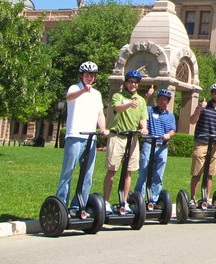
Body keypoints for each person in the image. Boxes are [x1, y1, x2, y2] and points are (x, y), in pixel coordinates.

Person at [56, 61, 109, 209]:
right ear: (81, 75)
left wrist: (103, 128)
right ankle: (61, 205)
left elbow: (100, 114)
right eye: (87, 74)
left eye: (92, 75)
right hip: (74, 136)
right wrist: (83, 91)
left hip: (90, 139)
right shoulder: (75, 88)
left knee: (87, 175)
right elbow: (70, 97)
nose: (89, 77)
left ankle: (78, 206)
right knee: (68, 172)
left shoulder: (97, 94)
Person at [103, 69, 148, 213]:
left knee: (128, 172)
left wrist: (144, 128)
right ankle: (106, 202)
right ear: (126, 83)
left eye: (135, 82)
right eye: (130, 82)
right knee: (112, 171)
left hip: (132, 138)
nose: (133, 85)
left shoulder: (141, 100)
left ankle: (124, 201)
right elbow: (117, 108)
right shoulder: (118, 96)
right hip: (117, 136)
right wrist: (129, 104)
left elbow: (143, 118)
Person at [133, 87, 176, 202]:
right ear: (157, 100)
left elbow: (173, 130)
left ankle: (153, 200)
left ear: (168, 101)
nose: (162, 101)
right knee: (143, 172)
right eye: (161, 99)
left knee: (158, 175)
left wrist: (168, 134)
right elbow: (141, 108)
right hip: (149, 144)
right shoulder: (150, 110)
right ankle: (139, 199)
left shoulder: (170, 116)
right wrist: (147, 96)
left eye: (165, 99)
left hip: (162, 146)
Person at [188, 83, 216, 206]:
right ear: (211, 94)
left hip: (214, 144)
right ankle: (192, 199)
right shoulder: (203, 106)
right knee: (197, 172)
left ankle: (206, 199)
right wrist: (200, 108)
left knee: (210, 173)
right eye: (215, 92)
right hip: (201, 142)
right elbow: (192, 120)